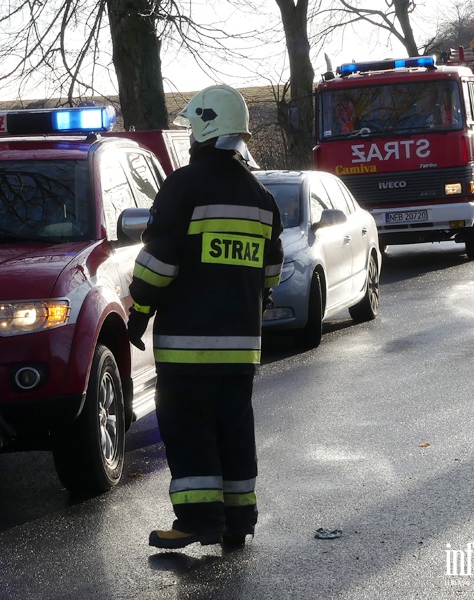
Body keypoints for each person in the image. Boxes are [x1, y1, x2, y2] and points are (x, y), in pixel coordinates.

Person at [127, 85, 284, 550]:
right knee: (234, 427)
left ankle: (198, 519)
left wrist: (139, 309)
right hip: (241, 345)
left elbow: (159, 261)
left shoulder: (184, 185)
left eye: (192, 128)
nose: (189, 138)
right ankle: (238, 520)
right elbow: (270, 272)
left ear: (206, 127)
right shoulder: (261, 197)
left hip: (188, 344)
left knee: (188, 425)